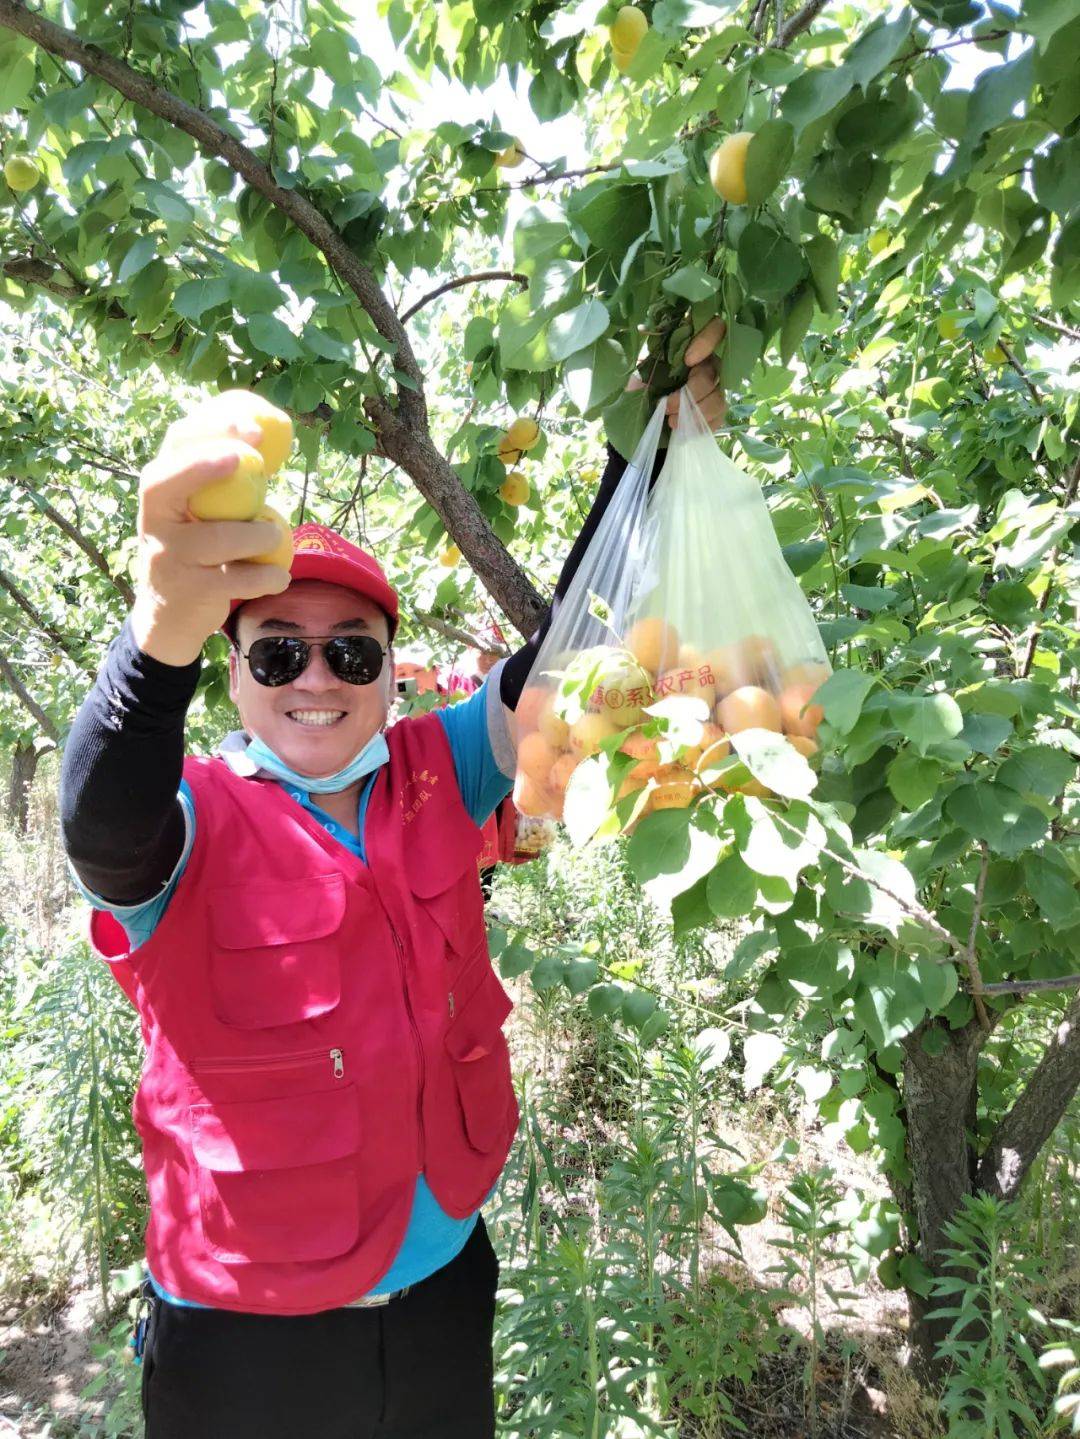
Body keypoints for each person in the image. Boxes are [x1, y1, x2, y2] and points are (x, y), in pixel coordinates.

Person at [59, 330, 726, 1439]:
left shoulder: (438, 766)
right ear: (229, 670)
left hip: (438, 1294)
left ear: (391, 673)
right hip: (244, 1338)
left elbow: (562, 656)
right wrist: (157, 632)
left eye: (351, 652)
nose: (316, 679)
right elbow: (102, 822)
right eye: (277, 651)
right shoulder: (188, 818)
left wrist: (649, 452)